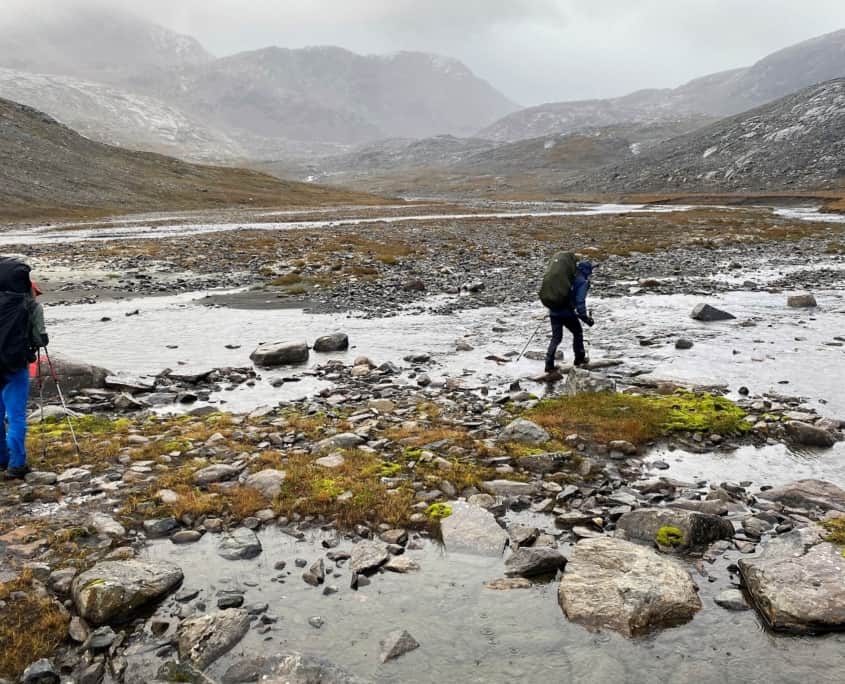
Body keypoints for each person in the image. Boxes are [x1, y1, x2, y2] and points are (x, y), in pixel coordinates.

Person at [0, 277, 48, 480]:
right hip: (15, 365)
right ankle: (17, 465)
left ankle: (2, 459)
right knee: (16, 416)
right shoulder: (32, 306)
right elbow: (39, 338)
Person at [545, 260, 594, 374]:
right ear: (586, 270)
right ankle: (579, 359)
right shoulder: (582, 281)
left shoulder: (566, 277)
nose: (591, 271)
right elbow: (580, 302)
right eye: (591, 269)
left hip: (553, 311)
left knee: (556, 338)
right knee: (577, 332)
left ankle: (549, 365)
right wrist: (586, 319)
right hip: (567, 313)